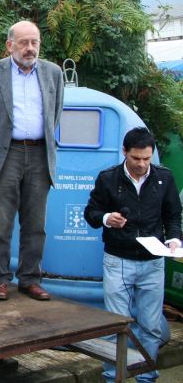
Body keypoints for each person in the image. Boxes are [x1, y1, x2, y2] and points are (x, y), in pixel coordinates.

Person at [0, 20, 63, 302]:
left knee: (36, 223)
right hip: (6, 152)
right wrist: (0, 141)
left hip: (39, 153)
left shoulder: (53, 73)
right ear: (9, 45)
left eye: (34, 42)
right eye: (23, 42)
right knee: (1, 223)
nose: (29, 48)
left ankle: (30, 279)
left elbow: (55, 114)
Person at [84, 127, 181, 383]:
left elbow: (173, 215)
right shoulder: (108, 179)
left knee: (150, 326)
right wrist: (106, 218)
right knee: (115, 325)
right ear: (124, 152)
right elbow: (91, 213)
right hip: (118, 260)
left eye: (147, 159)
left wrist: (173, 239)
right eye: (136, 158)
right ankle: (112, 377)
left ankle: (146, 377)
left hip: (153, 262)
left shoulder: (164, 178)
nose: (141, 164)